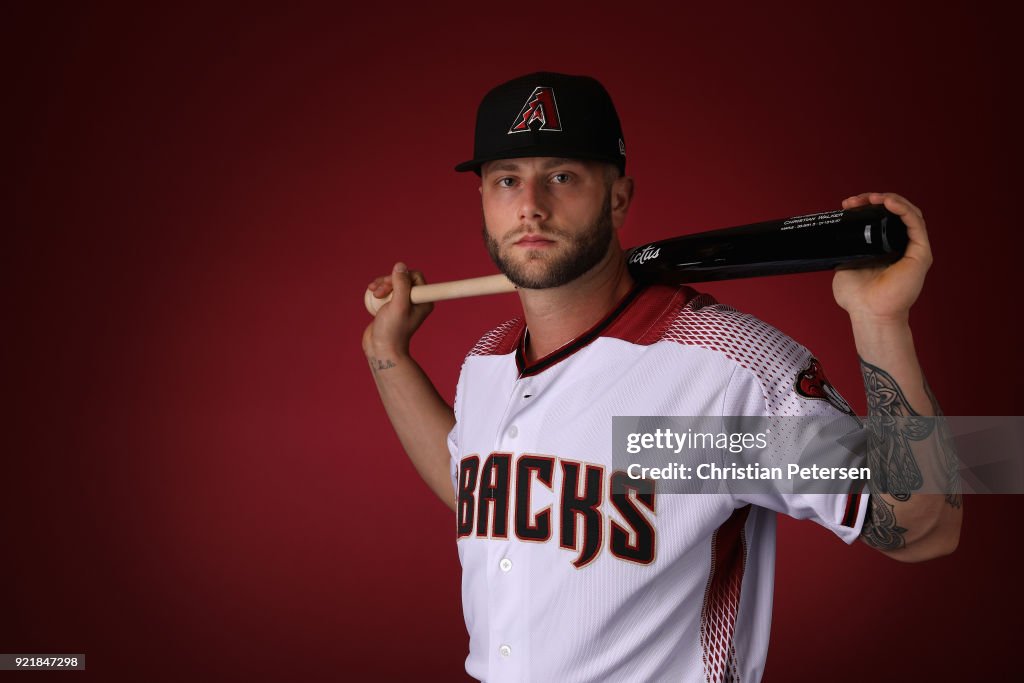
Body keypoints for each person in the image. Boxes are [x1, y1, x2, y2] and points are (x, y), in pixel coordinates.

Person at [362, 72, 961, 682]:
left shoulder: (721, 370)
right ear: (485, 201)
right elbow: (480, 494)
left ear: (618, 198)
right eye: (507, 179)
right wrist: (389, 356)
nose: (530, 205)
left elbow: (920, 525)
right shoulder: (487, 361)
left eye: (562, 176)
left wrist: (880, 321)